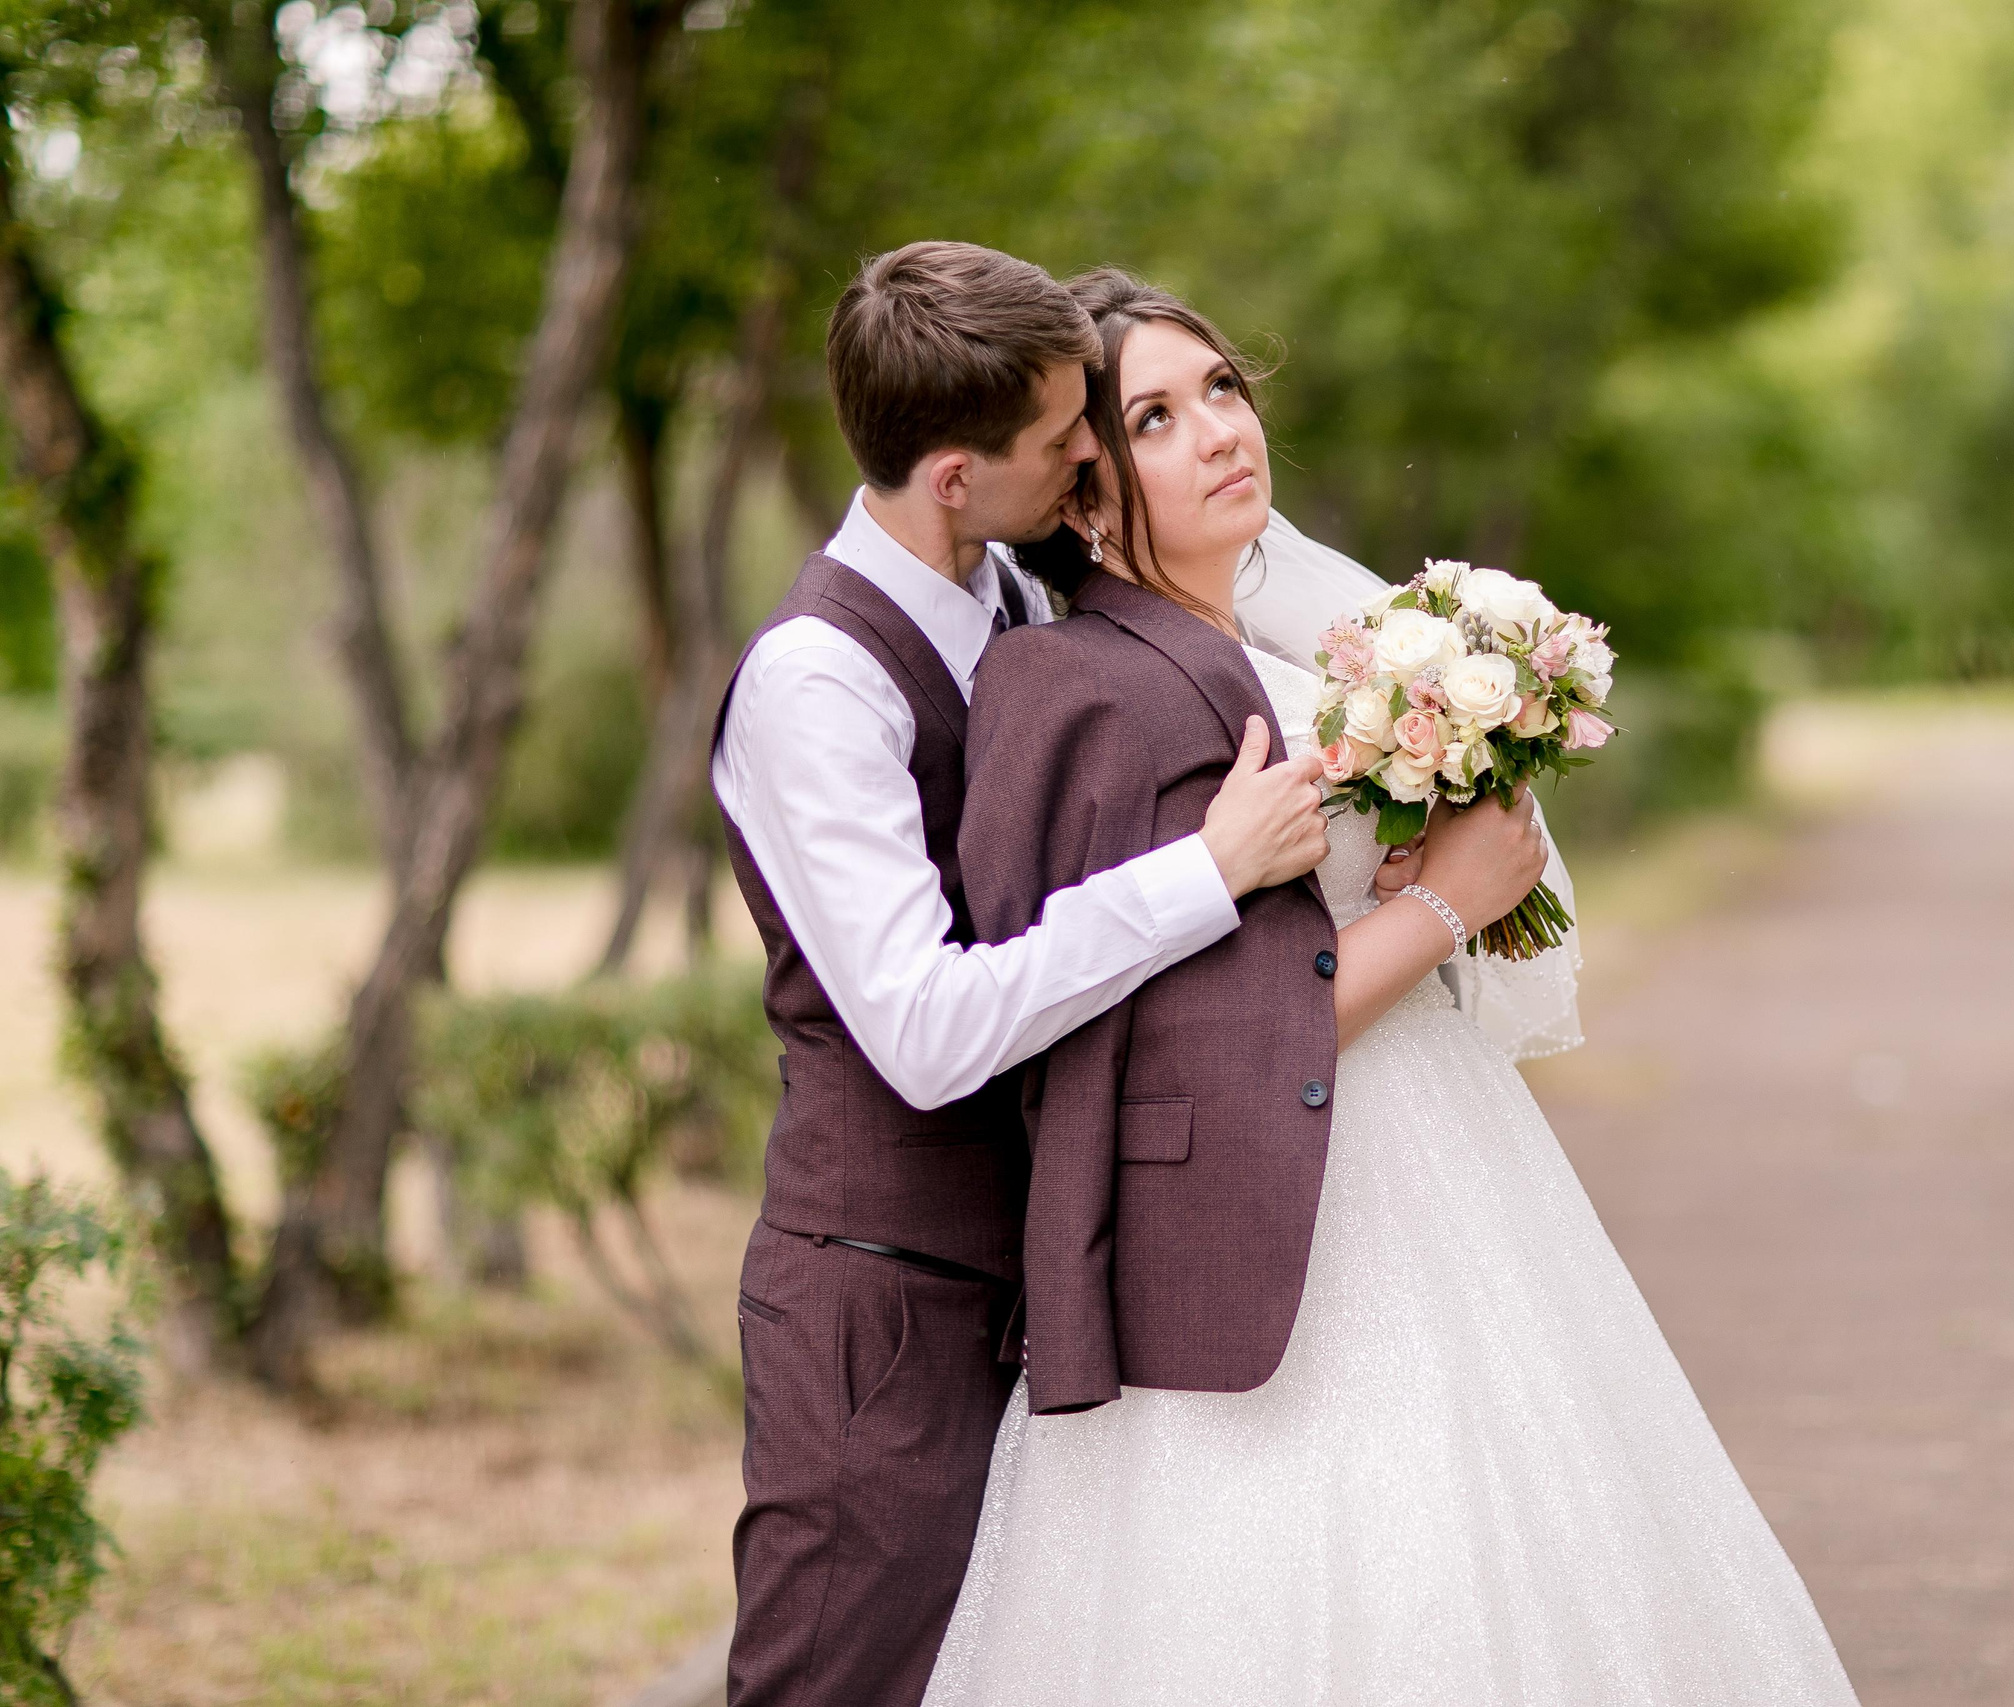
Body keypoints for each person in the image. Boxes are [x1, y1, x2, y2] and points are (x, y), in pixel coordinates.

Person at [925, 270, 1865, 1704]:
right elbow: (1191, 1043)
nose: (1222, 431)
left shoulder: (1310, 651)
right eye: (1157, 418)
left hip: (1438, 1155)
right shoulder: (1075, 684)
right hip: (1253, 1219)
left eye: (1223, 390)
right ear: (1083, 489)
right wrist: (1441, 903)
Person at [708, 241, 1338, 1707]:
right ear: (950, 474)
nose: (1091, 456)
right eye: (1068, 436)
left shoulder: (1017, 599)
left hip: (1039, 1274)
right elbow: (927, 1030)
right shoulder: (818, 685)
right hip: (882, 1301)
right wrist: (1209, 869)